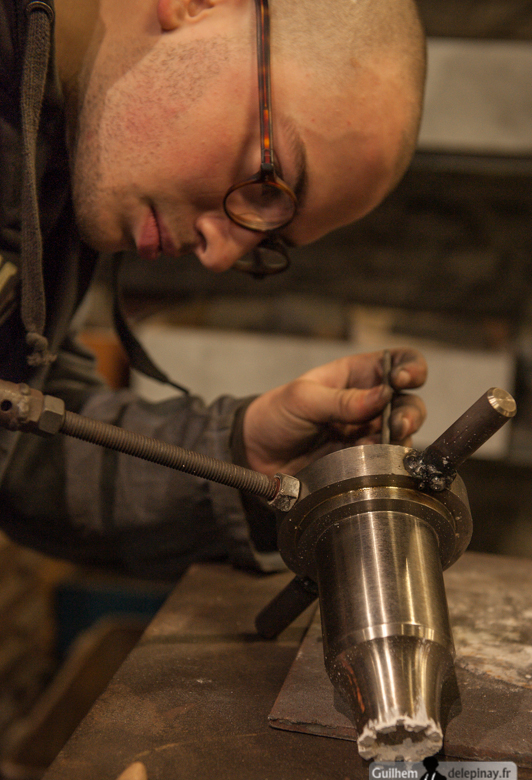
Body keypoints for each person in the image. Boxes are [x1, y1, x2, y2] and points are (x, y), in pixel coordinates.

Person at [0, 0, 427, 578]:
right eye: (268, 184)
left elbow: (20, 442)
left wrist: (242, 455)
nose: (218, 255)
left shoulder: (58, 156)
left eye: (267, 241)